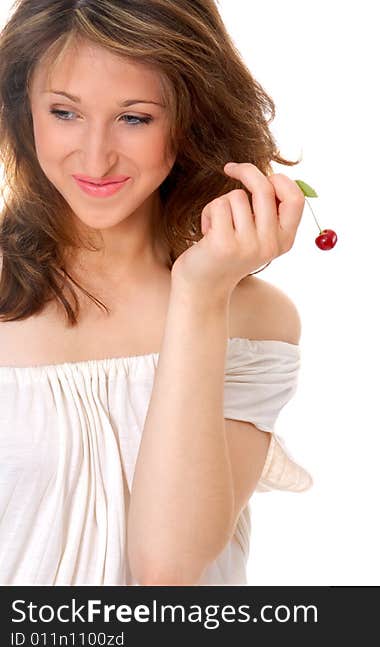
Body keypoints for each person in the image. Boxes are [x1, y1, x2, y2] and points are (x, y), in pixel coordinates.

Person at [0, 0, 313, 585]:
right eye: (64, 112)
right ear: (25, 113)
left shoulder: (253, 319)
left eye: (135, 118)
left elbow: (167, 570)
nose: (95, 157)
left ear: (191, 119)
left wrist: (198, 294)